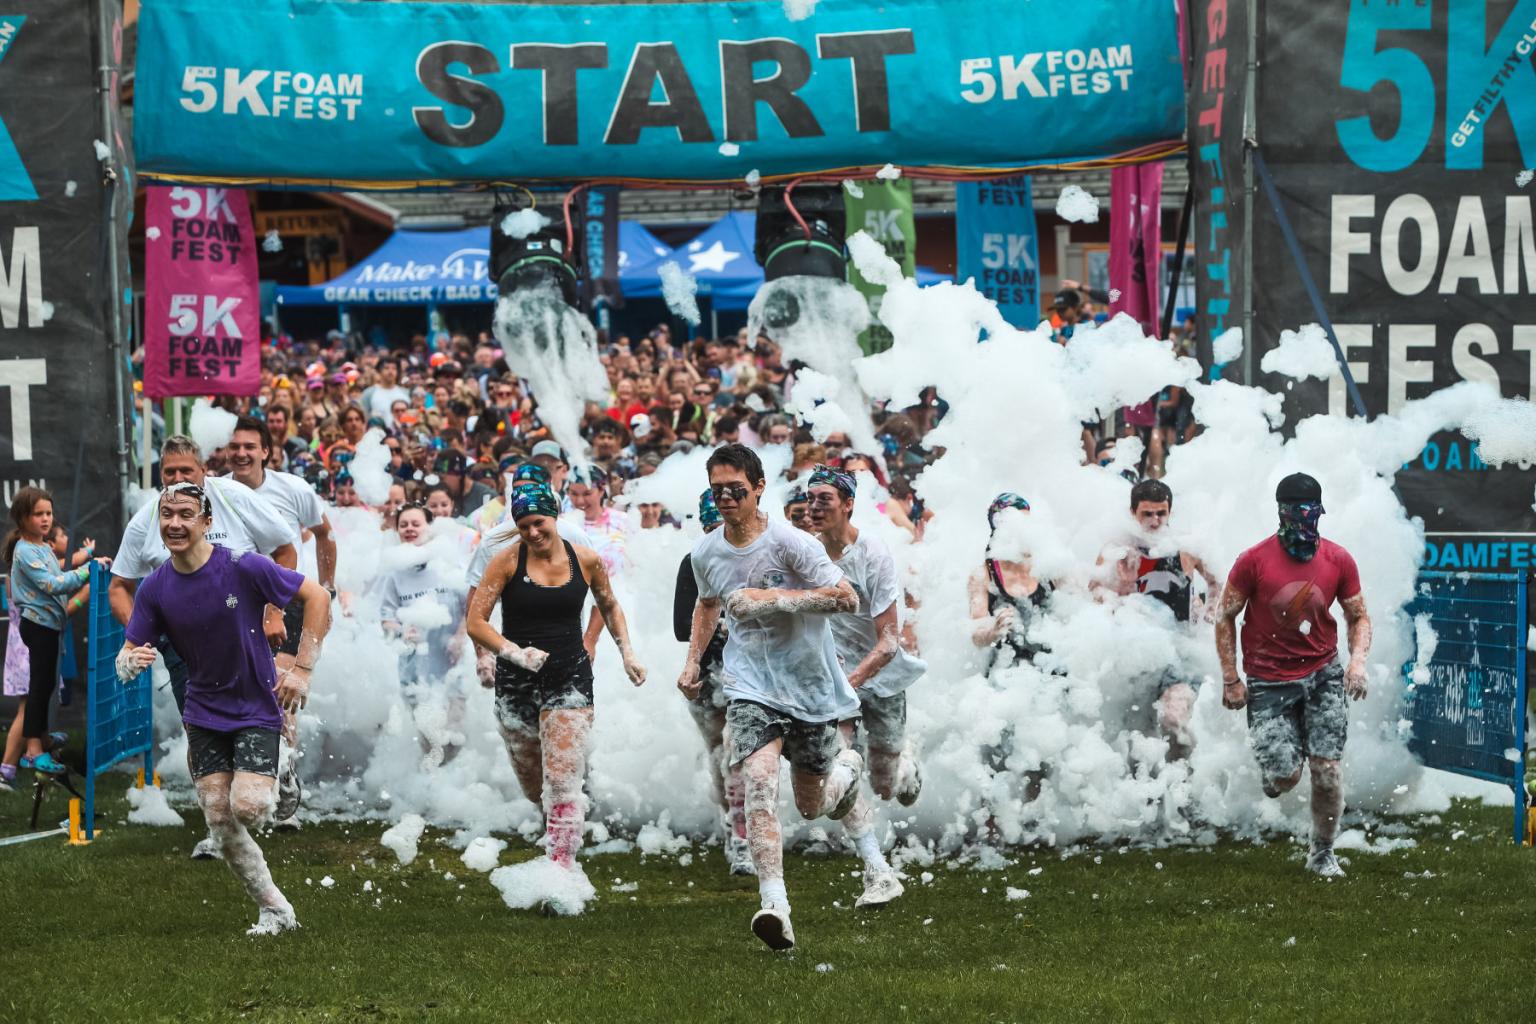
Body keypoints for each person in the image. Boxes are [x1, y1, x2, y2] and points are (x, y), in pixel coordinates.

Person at [677, 444, 898, 952]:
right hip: (751, 686)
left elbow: (845, 598)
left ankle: (846, 770)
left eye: (736, 489)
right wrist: (692, 662)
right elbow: (708, 606)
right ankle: (775, 905)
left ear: (758, 489)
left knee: (813, 802)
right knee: (756, 781)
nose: (727, 498)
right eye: (718, 490)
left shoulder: (791, 543)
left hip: (809, 686)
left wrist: (771, 599)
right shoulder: (706, 552)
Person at [117, 482, 332, 935]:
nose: (175, 523)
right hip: (202, 710)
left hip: (255, 702)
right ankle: (275, 909)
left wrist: (303, 670)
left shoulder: (243, 565)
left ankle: (281, 765)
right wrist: (129, 661)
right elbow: (130, 648)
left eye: (185, 514)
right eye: (167, 514)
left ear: (206, 523)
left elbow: (319, 598)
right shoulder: (155, 588)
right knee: (218, 817)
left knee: (250, 807)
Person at [110, 435, 299, 859]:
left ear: (204, 472)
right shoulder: (149, 519)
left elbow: (285, 548)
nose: (178, 480)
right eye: (169, 474)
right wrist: (144, 637)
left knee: (264, 716)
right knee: (201, 730)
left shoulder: (233, 499)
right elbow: (120, 586)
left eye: (186, 472)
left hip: (243, 630)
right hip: (185, 648)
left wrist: (273, 611)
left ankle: (279, 766)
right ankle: (220, 829)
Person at [466, 486, 646, 895]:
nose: (531, 532)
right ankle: (554, 839)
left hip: (569, 675)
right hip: (516, 680)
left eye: (538, 523)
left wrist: (626, 653)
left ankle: (560, 875)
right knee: (535, 785)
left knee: (563, 782)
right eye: (524, 525)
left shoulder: (585, 559)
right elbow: (477, 621)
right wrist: (512, 652)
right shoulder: (506, 561)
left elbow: (610, 605)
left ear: (555, 517)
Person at [1216, 473, 1371, 878]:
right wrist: (1231, 678)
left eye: (1309, 512)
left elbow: (1358, 616)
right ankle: (1278, 769)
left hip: (1323, 675)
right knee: (1286, 776)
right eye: (1294, 511)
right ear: (1280, 511)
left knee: (1327, 770)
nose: (1302, 520)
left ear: (1320, 512)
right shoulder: (1253, 560)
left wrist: (1357, 663)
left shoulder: (1338, 559)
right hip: (1268, 680)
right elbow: (1225, 615)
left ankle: (1322, 853)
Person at [226, 415, 338, 824]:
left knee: (280, 692)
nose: (240, 453)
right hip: (237, 602)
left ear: (265, 452)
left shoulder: (292, 488)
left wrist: (327, 590)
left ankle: (284, 768)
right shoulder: (219, 491)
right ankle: (256, 777)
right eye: (235, 446)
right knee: (243, 695)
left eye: (249, 447)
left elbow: (324, 534)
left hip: (288, 599)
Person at [806, 464, 925, 806]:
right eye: (810, 499)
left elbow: (888, 641)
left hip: (882, 675)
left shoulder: (872, 553)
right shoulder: (806, 553)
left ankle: (908, 765)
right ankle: (853, 838)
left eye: (824, 499)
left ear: (848, 504)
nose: (814, 507)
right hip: (837, 676)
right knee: (837, 761)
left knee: (886, 785)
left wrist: (851, 681)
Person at [1094, 479, 1220, 762]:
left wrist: (1209, 615)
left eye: (1161, 513)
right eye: (1147, 514)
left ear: (1169, 512)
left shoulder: (1185, 547)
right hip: (1136, 656)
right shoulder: (1118, 548)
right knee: (1136, 737)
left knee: (1173, 720)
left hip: (1181, 652)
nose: (1154, 521)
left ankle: (1185, 785)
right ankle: (1148, 796)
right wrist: (1122, 590)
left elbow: (1218, 582)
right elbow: (1095, 592)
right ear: (1133, 513)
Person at [672, 489, 752, 874]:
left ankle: (742, 836)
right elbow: (678, 628)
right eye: (708, 526)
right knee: (720, 755)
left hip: (748, 675)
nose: (714, 533)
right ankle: (730, 819)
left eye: (719, 525)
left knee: (738, 753)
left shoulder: (753, 556)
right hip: (706, 674)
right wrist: (715, 627)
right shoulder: (694, 562)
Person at [3, 488, 110, 776]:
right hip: (38, 626)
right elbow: (53, 584)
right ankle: (34, 751)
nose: (46, 519)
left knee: (46, 686)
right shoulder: (25, 551)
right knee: (38, 688)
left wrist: (84, 561)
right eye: (38, 514)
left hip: (49, 626)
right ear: (23, 518)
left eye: (48, 513)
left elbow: (61, 574)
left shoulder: (42, 548)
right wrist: (89, 568)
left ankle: (44, 738)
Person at [377, 503, 469, 767]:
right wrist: (402, 629)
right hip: (413, 670)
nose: (409, 529)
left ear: (429, 527)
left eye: (415, 523)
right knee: (429, 741)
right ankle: (430, 794)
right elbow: (386, 618)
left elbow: (471, 606)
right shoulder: (394, 573)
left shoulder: (447, 564)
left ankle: (456, 795)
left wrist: (460, 637)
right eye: (403, 524)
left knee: (453, 737)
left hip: (450, 664)